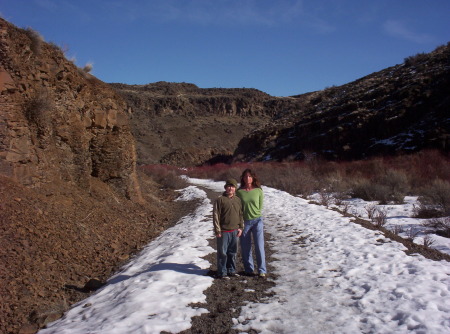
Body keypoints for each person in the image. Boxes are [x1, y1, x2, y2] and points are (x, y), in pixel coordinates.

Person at [236, 168, 266, 278]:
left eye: (249, 176)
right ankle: (249, 269)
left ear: (253, 178)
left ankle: (262, 270)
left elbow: (260, 206)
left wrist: (255, 213)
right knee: (245, 247)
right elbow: (238, 207)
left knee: (259, 245)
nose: (247, 178)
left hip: (257, 220)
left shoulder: (258, 191)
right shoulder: (239, 192)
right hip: (244, 222)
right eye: (245, 176)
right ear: (243, 178)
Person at [212, 178, 243, 279]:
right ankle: (222, 272)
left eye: (233, 186)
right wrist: (218, 230)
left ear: (235, 188)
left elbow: (240, 214)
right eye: (229, 186)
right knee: (222, 253)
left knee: (232, 252)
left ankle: (231, 270)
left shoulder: (238, 200)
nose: (231, 188)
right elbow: (216, 215)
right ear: (225, 187)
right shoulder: (220, 200)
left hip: (235, 231)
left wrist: (241, 227)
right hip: (223, 231)